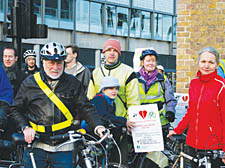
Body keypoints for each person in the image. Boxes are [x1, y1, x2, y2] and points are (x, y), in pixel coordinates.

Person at [9, 42, 106, 168]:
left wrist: (98, 126)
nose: (55, 67)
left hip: (64, 146)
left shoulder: (73, 83)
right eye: (51, 63)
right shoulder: (30, 83)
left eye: (59, 63)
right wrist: (25, 127)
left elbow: (85, 107)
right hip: (36, 145)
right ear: (43, 62)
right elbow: (15, 110)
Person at [167, 47, 225, 167]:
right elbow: (191, 112)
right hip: (193, 143)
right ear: (198, 63)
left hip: (213, 145)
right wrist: (177, 130)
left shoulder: (221, 86)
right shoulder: (194, 84)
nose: (206, 66)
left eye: (211, 62)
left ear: (216, 65)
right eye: (203, 61)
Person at [87, 38, 140, 165]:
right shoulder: (96, 72)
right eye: (108, 50)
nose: (111, 53)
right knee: (98, 161)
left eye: (115, 50)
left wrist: (128, 122)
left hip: (120, 125)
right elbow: (90, 98)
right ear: (103, 53)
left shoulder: (128, 72)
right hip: (100, 126)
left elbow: (134, 101)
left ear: (119, 53)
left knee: (120, 161)